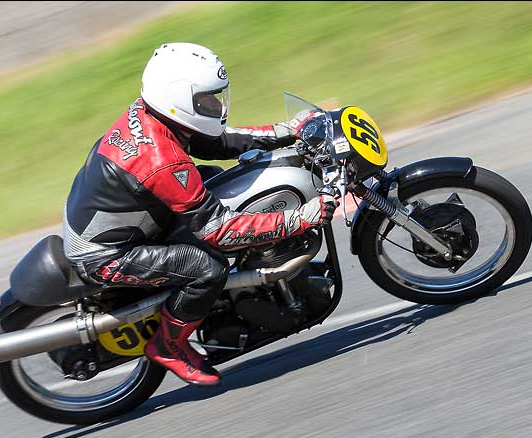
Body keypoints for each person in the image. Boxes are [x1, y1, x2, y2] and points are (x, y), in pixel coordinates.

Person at [62, 43, 338, 386]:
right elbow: (218, 229)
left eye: (215, 98)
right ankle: (168, 344)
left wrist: (286, 131)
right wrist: (302, 218)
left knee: (214, 179)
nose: (216, 106)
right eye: (205, 100)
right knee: (207, 269)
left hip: (121, 222)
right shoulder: (161, 159)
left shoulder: (157, 118)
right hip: (107, 253)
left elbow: (219, 142)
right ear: (177, 98)